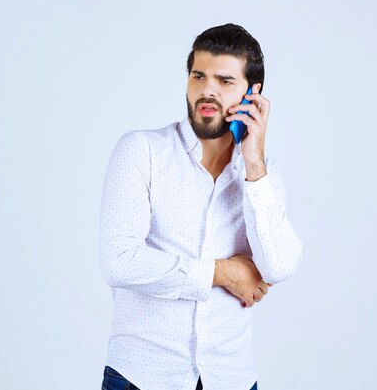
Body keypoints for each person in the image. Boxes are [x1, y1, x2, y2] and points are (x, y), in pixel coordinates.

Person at [99, 23, 303, 390]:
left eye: (225, 81)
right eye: (199, 76)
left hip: (232, 377)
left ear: (252, 94)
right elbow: (120, 262)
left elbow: (279, 265)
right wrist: (225, 273)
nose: (207, 90)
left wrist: (253, 164)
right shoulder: (141, 151)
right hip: (142, 377)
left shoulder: (264, 176)